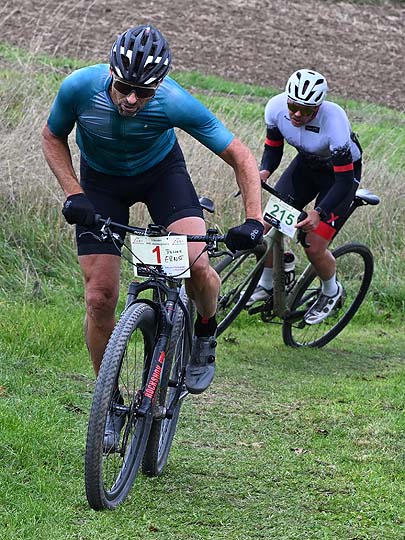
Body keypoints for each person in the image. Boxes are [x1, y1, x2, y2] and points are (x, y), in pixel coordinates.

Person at [41, 24, 264, 410]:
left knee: (197, 265)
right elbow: (51, 136)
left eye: (144, 92)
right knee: (99, 297)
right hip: (101, 183)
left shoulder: (175, 101)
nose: (131, 99)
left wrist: (254, 219)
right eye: (124, 87)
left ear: (159, 85)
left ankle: (205, 330)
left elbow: (240, 155)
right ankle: (109, 404)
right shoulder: (78, 88)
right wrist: (74, 193)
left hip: (161, 176)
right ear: (111, 72)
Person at [247, 69, 362, 324]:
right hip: (306, 168)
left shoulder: (334, 121)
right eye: (293, 106)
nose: (297, 114)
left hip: (339, 177)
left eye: (306, 110)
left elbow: (344, 181)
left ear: (318, 107)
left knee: (313, 244)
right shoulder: (275, 108)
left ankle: (331, 290)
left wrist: (319, 212)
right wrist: (263, 172)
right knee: (266, 224)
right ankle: (268, 282)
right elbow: (273, 150)